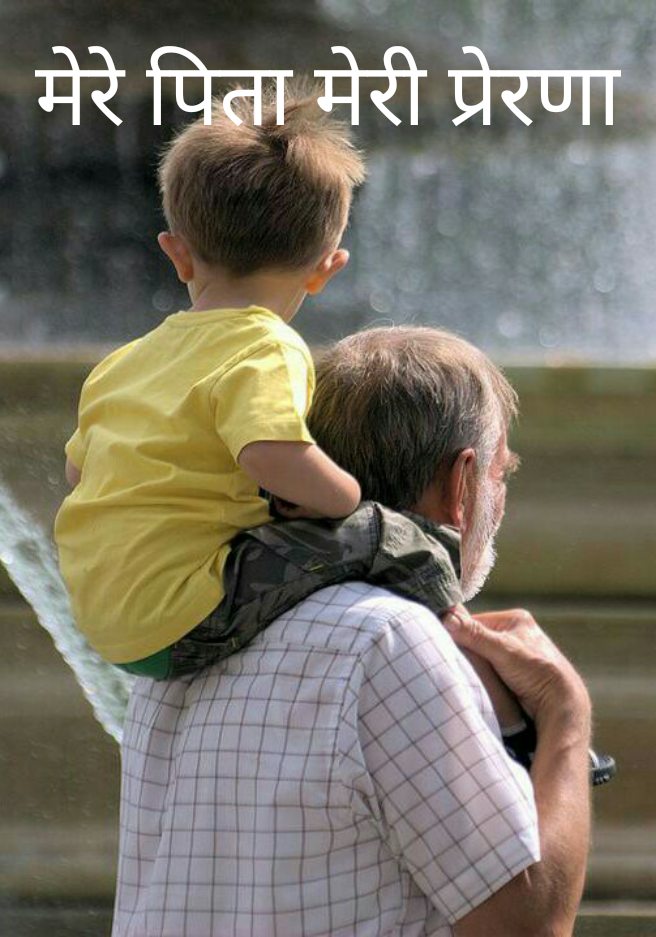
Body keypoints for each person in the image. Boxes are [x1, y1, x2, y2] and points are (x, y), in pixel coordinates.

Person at [111, 326, 592, 937]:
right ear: (461, 484)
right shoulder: (388, 642)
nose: (503, 499)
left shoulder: (186, 634)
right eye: (501, 474)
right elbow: (526, 925)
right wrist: (566, 716)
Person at [53, 81, 364, 678]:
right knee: (384, 538)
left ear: (177, 254)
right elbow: (269, 454)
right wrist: (348, 497)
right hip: (187, 617)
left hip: (104, 623)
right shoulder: (268, 347)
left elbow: (77, 474)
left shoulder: (125, 362)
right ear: (327, 269)